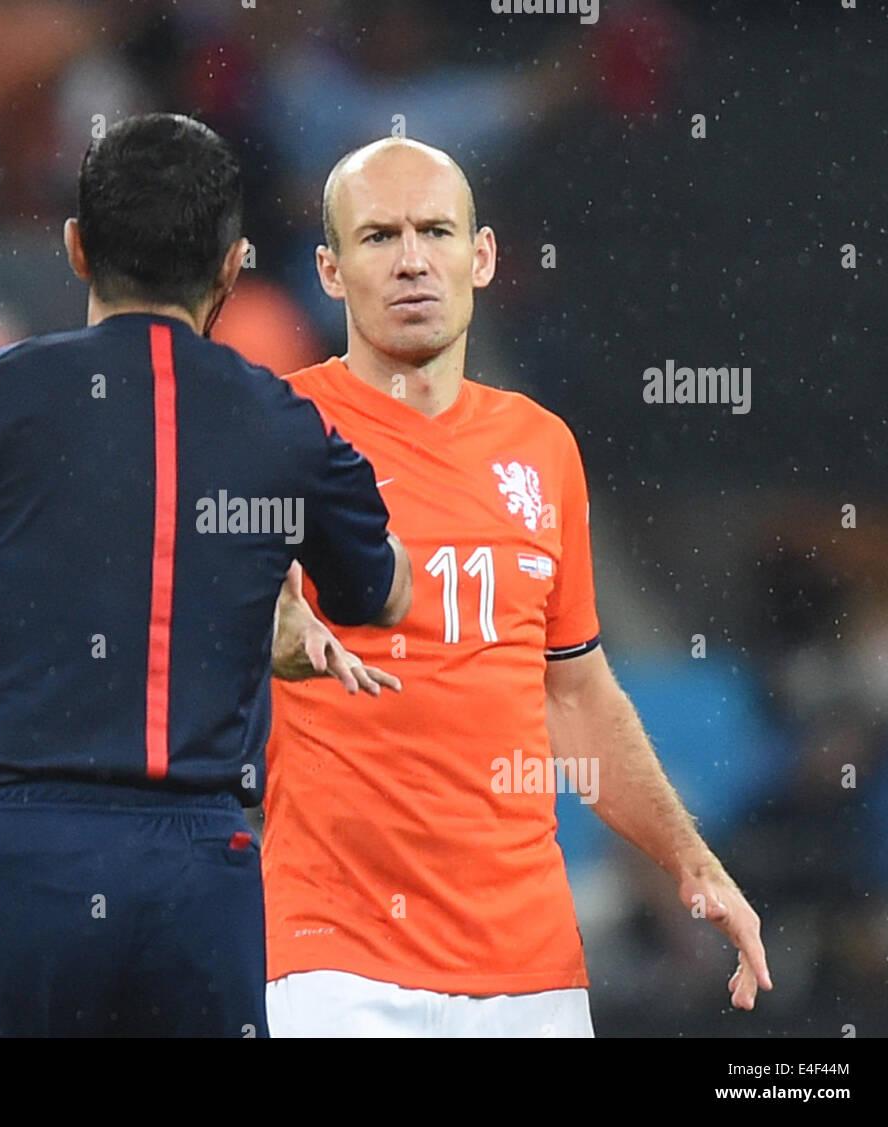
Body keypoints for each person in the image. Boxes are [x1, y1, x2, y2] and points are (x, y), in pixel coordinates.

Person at [0, 113, 411, 1037]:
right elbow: (382, 593)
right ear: (233, 265)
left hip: (4, 861)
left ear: (74, 247)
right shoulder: (286, 425)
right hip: (198, 878)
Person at [264, 137, 772, 1036]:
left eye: (435, 230)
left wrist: (691, 862)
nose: (413, 259)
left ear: (483, 255)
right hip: (335, 955)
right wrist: (263, 632)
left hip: (529, 964)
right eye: (379, 236)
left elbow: (575, 691)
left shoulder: (542, 448)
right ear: (331, 271)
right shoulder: (277, 434)